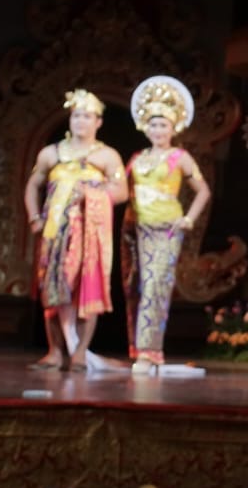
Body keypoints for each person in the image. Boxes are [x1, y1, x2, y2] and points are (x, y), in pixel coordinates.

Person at [23, 89, 128, 372]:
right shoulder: (51, 153)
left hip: (87, 234)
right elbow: (33, 185)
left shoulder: (106, 156)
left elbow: (121, 191)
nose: (81, 121)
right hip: (55, 233)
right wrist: (34, 218)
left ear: (98, 122)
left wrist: (92, 194)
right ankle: (55, 352)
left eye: (87, 116)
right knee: (52, 290)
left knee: (84, 289)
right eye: (77, 116)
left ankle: (80, 353)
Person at [122, 76, 211, 376]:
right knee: (140, 286)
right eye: (154, 124)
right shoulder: (137, 158)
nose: (158, 130)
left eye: (164, 125)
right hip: (139, 230)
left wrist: (189, 219)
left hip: (167, 229)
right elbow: (121, 189)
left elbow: (203, 191)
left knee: (155, 286)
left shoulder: (179, 157)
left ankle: (149, 352)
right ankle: (143, 350)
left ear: (173, 129)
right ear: (145, 127)